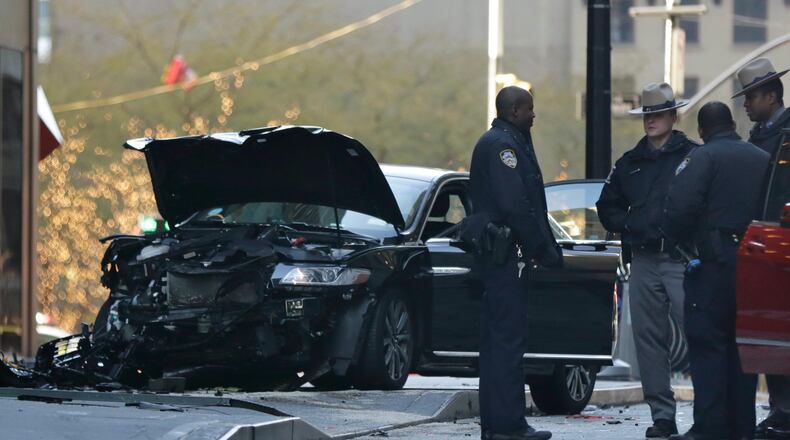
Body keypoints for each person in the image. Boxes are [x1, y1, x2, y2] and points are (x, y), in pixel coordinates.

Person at [596, 82, 699, 438]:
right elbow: (605, 207)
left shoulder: (693, 157)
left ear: (673, 115)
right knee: (648, 341)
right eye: (647, 114)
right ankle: (662, 417)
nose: (651, 120)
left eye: (658, 114)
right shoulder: (630, 163)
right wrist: (631, 224)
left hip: (683, 260)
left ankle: (708, 413)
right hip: (643, 260)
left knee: (698, 333)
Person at [663, 102, 770, 440]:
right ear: (732, 124)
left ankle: (710, 427)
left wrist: (684, 245)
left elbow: (678, 209)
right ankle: (741, 427)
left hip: (713, 262)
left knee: (708, 345)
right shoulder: (762, 158)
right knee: (743, 348)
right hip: (755, 261)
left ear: (702, 130)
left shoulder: (701, 158)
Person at [468, 86, 562, 440]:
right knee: (507, 344)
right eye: (529, 109)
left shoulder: (504, 141)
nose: (534, 115)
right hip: (506, 257)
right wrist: (541, 247)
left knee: (498, 345)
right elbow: (515, 205)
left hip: (501, 258)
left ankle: (497, 426)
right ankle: (508, 426)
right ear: (513, 111)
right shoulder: (503, 147)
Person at [732, 58, 790, 439]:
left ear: (771, 95)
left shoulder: (785, 136)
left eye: (751, 97)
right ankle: (780, 409)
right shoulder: (763, 136)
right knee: (771, 336)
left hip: (779, 244)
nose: (747, 105)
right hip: (768, 245)